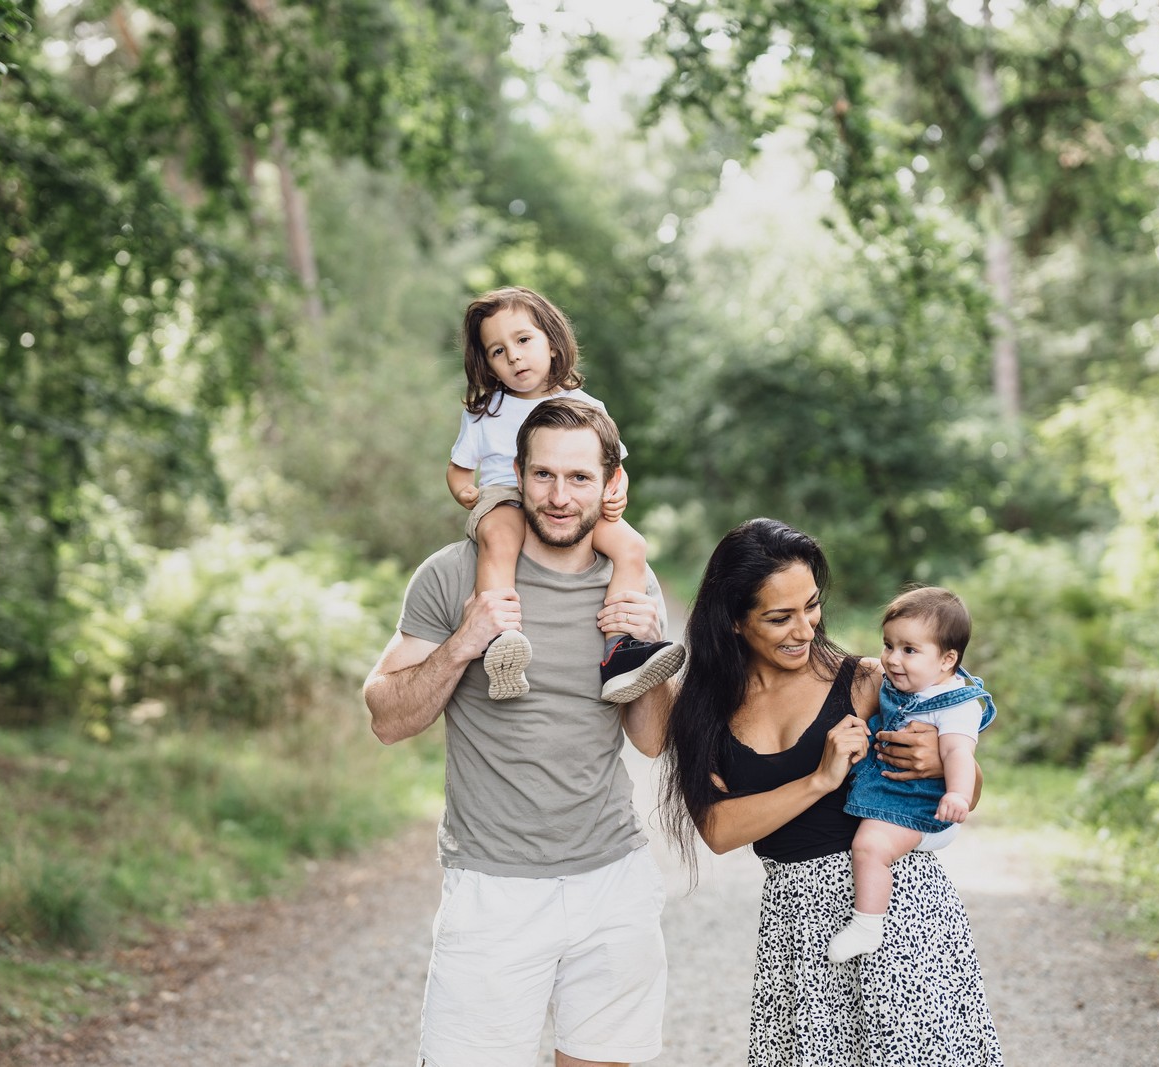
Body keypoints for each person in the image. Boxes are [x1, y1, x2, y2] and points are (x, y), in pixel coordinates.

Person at [366, 396, 679, 1067]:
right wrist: (464, 642)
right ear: (517, 473)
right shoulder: (455, 573)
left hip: (612, 880)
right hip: (493, 888)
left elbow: (652, 740)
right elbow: (387, 718)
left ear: (610, 483)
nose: (560, 497)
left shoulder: (631, 581)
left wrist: (649, 647)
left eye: (579, 478)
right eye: (544, 475)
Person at [658, 519, 1004, 1066]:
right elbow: (719, 831)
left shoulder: (865, 681)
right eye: (780, 617)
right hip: (797, 924)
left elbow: (964, 783)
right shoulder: (705, 710)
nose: (804, 629)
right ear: (734, 621)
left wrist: (944, 759)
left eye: (812, 607)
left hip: (896, 910)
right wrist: (819, 779)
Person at [447, 285, 683, 703]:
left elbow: (614, 467)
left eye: (523, 340)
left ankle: (621, 650)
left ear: (553, 344)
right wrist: (465, 491)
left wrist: (616, 494)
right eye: (498, 351)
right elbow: (459, 468)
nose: (514, 356)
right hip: (505, 495)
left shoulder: (586, 405)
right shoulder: (486, 412)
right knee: (499, 538)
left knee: (631, 545)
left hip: (572, 499)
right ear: (488, 365)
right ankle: (500, 640)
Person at [827, 585, 998, 963]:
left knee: (870, 846)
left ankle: (867, 925)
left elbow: (957, 752)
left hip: (924, 804)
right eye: (888, 645)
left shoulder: (955, 705)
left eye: (909, 650)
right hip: (895, 786)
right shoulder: (908, 684)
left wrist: (957, 794)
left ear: (947, 660)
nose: (892, 659)